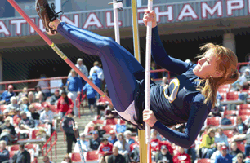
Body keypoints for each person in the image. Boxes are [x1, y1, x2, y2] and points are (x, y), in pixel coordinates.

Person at [36, 3, 239, 148]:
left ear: (218, 73)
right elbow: (162, 59)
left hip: (134, 105)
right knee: (111, 44)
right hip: (143, 85)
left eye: (207, 61)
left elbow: (187, 140)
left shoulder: (201, 100)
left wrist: (155, 124)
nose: (200, 60)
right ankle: (55, 24)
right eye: (204, 56)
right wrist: (154, 28)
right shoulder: (189, 70)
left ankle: (57, 24)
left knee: (106, 48)